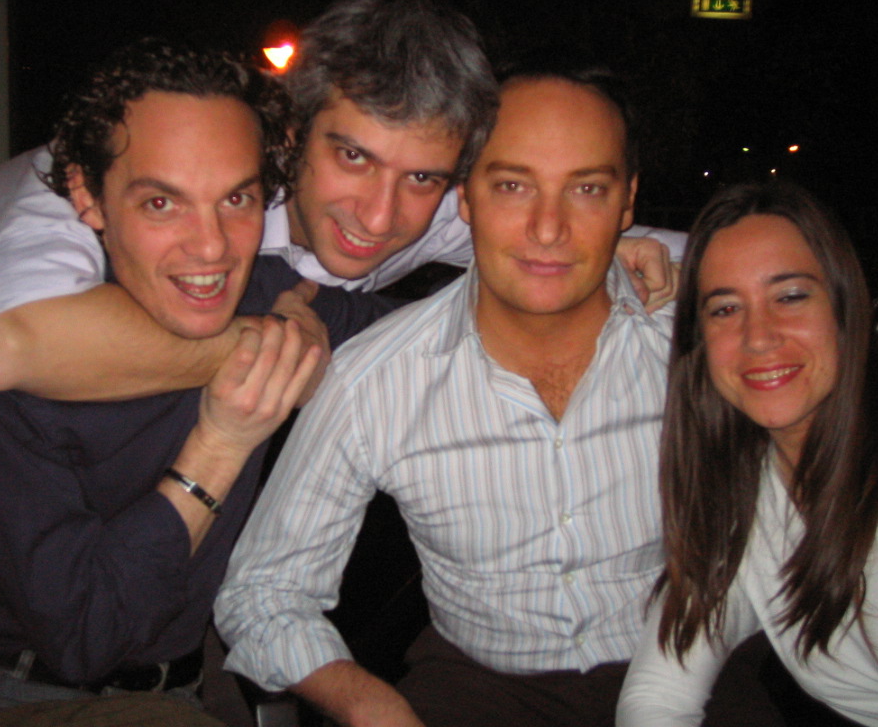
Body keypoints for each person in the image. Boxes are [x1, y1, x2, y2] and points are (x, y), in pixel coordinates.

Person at [0, 0, 683, 410]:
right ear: (289, 131)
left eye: (422, 177)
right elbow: (9, 346)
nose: (380, 216)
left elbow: (683, 251)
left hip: (230, 313)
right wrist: (286, 349)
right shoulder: (119, 173)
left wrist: (620, 248)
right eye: (352, 156)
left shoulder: (435, 207)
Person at [0, 37, 388, 725]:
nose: (212, 247)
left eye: (237, 199)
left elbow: (424, 336)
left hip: (183, 690)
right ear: (87, 197)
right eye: (162, 203)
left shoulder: (271, 297)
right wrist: (221, 445)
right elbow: (88, 639)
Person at [215, 63, 687, 727]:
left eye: (586, 189)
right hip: (482, 688)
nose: (548, 228)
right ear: (465, 198)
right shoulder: (376, 380)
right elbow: (263, 594)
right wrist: (372, 705)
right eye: (513, 185)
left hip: (693, 668)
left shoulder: (700, 342)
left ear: (627, 202)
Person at [616, 182, 878, 727]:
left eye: (790, 297)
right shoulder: (738, 498)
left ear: (845, 307)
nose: (758, 337)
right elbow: (659, 695)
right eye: (725, 308)